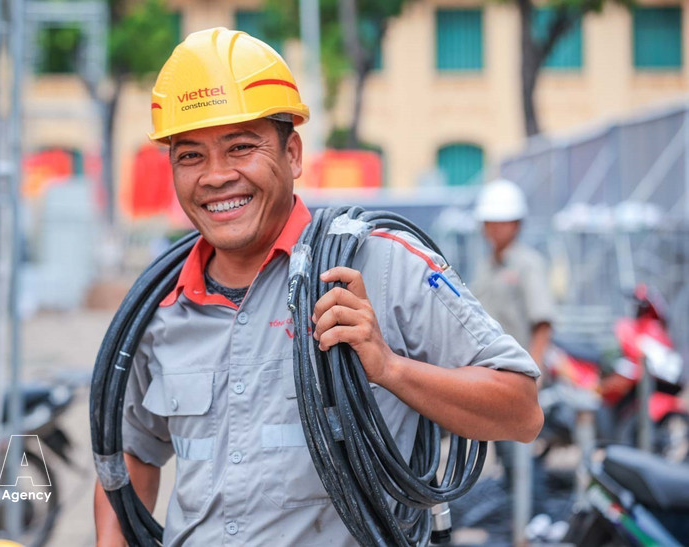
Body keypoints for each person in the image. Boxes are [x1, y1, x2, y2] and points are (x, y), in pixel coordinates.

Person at [94, 28, 543, 546]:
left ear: (293, 155)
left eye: (241, 147)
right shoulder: (160, 307)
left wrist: (390, 368)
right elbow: (130, 454)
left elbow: (522, 411)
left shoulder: (382, 266)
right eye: (190, 155)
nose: (215, 177)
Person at [471, 178, 555, 530]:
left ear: (516, 224)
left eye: (500, 222)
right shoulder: (486, 266)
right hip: (494, 375)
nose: (493, 229)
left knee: (520, 450)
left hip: (520, 377)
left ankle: (536, 518)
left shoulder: (527, 264)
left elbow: (543, 322)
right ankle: (521, 514)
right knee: (506, 450)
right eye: (488, 222)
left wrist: (533, 375)